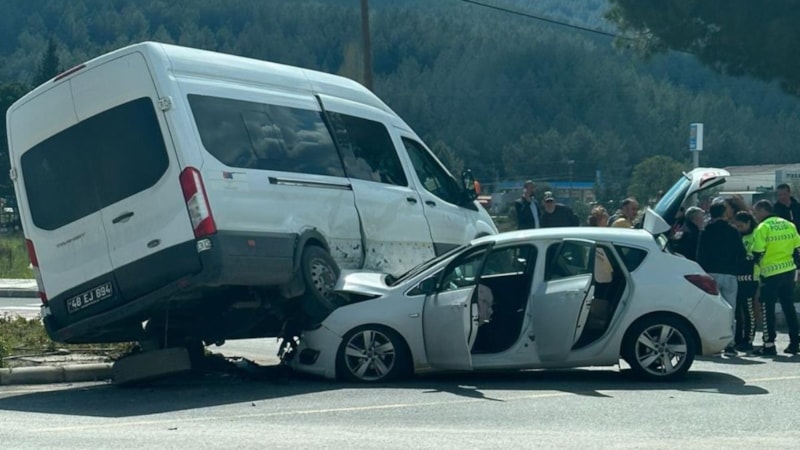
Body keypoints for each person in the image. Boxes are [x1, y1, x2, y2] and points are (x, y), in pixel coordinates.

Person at [750, 199, 800, 355]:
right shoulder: (789, 225)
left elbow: (757, 252)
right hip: (789, 271)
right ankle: (795, 343)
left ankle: (769, 344)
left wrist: (757, 269)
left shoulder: (763, 227)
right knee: (789, 307)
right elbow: (797, 249)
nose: (755, 216)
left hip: (770, 273)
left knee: (767, 308)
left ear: (763, 211)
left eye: (756, 212)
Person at [697, 202, 747, 356]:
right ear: (724, 213)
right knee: (730, 310)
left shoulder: (706, 231)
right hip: (730, 274)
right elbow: (741, 253)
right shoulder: (733, 231)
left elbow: (700, 254)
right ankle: (729, 344)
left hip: (711, 275)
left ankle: (711, 342)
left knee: (711, 309)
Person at [732, 211, 759, 352]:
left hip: (750, 277)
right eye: (737, 226)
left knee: (748, 310)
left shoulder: (755, 235)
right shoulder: (737, 236)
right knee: (737, 310)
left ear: (748, 222)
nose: (739, 229)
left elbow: (753, 256)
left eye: (741, 226)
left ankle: (748, 340)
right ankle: (738, 339)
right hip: (738, 277)